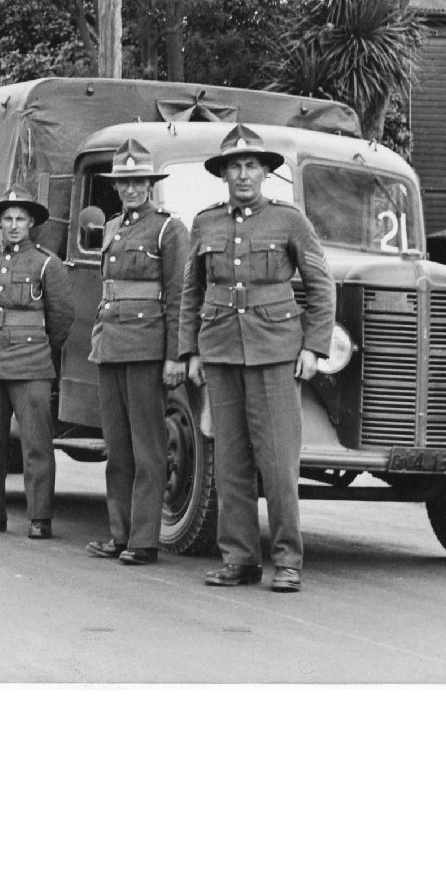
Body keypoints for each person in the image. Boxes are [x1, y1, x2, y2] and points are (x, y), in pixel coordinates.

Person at [178, 123, 334, 593]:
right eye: (235, 167)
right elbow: (191, 291)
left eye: (251, 166)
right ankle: (240, 559)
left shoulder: (290, 221)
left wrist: (313, 347)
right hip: (222, 352)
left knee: (279, 464)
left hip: (274, 353)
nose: (243, 175)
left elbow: (321, 285)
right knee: (230, 463)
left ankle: (287, 561)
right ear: (223, 174)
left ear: (265, 172)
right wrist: (190, 350)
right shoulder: (205, 223)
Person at [84, 138, 189, 566]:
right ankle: (120, 534)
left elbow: (179, 295)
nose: (131, 189)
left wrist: (175, 356)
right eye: (124, 182)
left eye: (138, 181)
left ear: (150, 184)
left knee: (149, 449)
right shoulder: (112, 227)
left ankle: (144, 541)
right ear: (116, 186)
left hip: (147, 347)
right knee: (117, 448)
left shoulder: (168, 229)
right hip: (110, 344)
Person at [0, 187, 73, 539]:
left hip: (31, 363)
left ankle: (40, 517)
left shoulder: (47, 264)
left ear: (31, 222)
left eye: (20, 218)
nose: (14, 225)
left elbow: (61, 318)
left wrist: (40, 351)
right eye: (7, 218)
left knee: (36, 444)